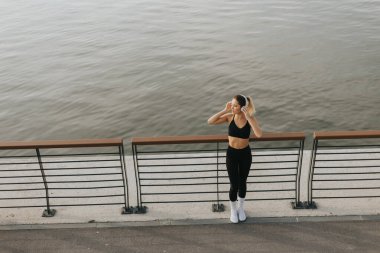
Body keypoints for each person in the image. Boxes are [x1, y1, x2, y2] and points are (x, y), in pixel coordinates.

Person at [208, 94, 263, 223]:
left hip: (245, 154)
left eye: (235, 106)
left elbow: (259, 134)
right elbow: (210, 121)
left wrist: (249, 117)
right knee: (234, 184)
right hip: (231, 154)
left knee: (242, 182)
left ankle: (241, 208)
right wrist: (225, 110)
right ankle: (233, 210)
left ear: (242, 107)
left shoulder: (249, 118)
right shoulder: (229, 117)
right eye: (232, 105)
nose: (233, 107)